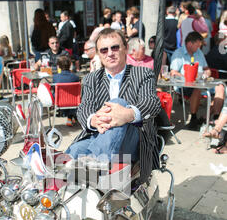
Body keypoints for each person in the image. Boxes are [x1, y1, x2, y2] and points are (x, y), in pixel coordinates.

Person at [66, 28, 162, 184]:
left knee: (118, 103)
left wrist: (127, 114)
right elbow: (84, 108)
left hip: (134, 140)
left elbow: (151, 102)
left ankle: (93, 168)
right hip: (98, 137)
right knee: (74, 152)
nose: (110, 53)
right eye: (104, 50)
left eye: (115, 47)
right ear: (99, 54)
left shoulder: (143, 74)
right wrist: (93, 120)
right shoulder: (91, 79)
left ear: (125, 48)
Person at [170, 31, 225, 129]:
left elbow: (206, 68)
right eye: (197, 45)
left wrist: (207, 73)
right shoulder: (179, 54)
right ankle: (194, 118)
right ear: (190, 44)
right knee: (197, 89)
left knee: (220, 87)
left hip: (201, 82)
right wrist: (186, 77)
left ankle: (215, 118)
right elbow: (173, 72)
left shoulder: (198, 53)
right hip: (184, 85)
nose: (199, 48)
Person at [52, 55, 80, 127]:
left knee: (54, 93)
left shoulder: (55, 77)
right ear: (70, 65)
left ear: (58, 66)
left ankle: (69, 116)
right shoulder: (75, 77)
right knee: (73, 95)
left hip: (59, 101)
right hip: (73, 102)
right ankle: (71, 116)